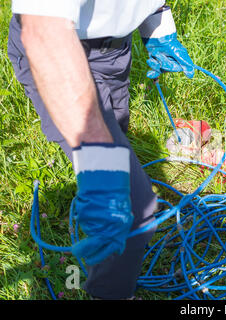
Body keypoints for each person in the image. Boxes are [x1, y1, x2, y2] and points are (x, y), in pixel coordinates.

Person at [7, 0, 195, 299]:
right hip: (59, 56)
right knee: (134, 209)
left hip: (115, 51)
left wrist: (158, 26)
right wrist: (100, 157)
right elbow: (43, 28)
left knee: (118, 132)